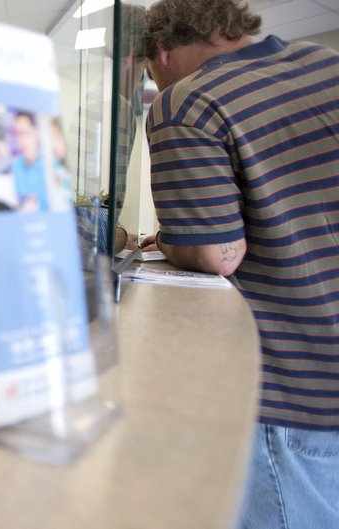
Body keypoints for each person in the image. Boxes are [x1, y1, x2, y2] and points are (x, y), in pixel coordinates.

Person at [137, 1, 339, 527]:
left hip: (295, 387)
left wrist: (167, 238)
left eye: (149, 74)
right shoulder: (324, 60)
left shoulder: (186, 101)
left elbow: (217, 254)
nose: (154, 84)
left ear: (160, 52)